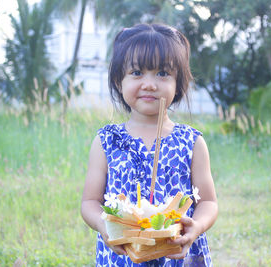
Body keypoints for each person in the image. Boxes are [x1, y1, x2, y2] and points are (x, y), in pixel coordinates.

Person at [81, 23, 218, 266]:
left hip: (176, 254)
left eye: (162, 73)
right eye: (136, 73)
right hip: (122, 254)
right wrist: (106, 227)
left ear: (179, 83)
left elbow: (208, 202)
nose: (149, 84)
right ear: (118, 80)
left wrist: (195, 228)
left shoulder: (192, 142)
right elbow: (90, 202)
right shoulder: (106, 141)